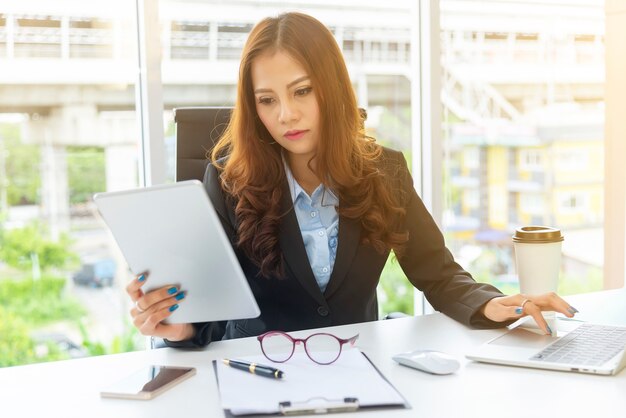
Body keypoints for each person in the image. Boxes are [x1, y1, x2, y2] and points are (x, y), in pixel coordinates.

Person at [126, 12, 578, 347]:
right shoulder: (226, 180)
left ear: (332, 87)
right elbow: (209, 311)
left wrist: (490, 304)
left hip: (361, 367)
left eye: (302, 90)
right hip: (258, 371)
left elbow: (437, 274)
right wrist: (179, 326)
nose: (286, 114)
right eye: (267, 100)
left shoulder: (385, 170)